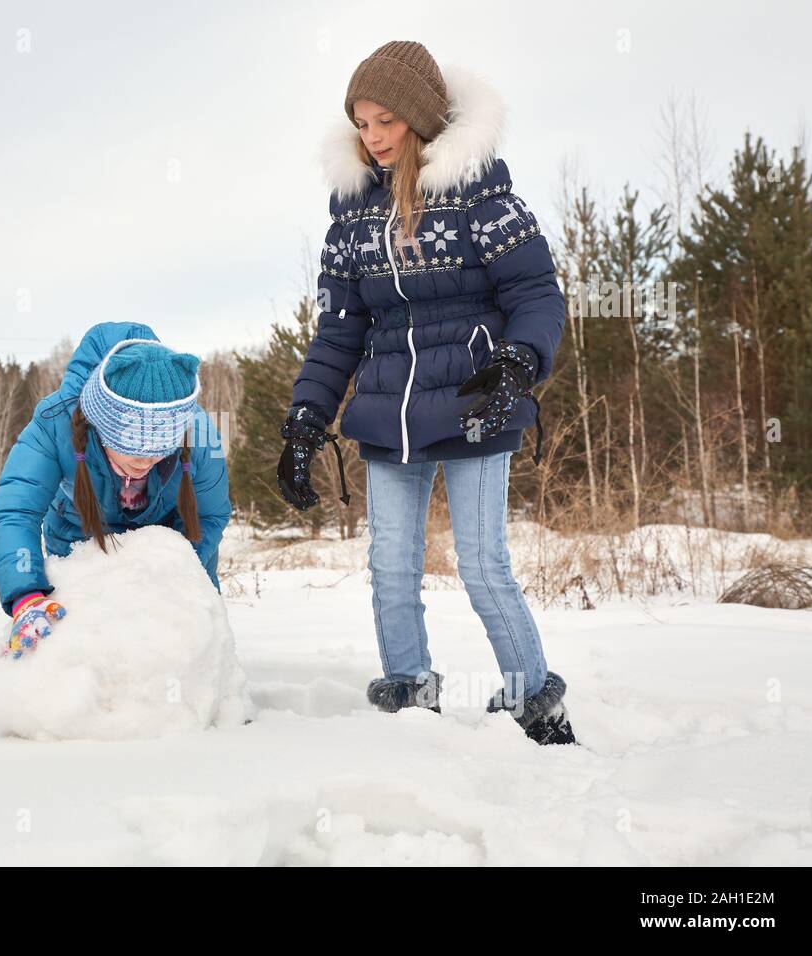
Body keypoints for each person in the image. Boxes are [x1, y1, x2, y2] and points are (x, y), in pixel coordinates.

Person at [277, 41, 576, 745]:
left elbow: (535, 292)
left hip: (477, 399)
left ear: (417, 116)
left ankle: (535, 704)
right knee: (390, 569)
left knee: (481, 565)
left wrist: (517, 363)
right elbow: (338, 329)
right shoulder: (352, 213)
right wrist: (305, 417)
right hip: (388, 412)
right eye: (361, 123)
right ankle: (409, 700)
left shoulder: (480, 191)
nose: (372, 137)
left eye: (385, 120)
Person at [0, 321, 231, 659]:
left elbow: (209, 515)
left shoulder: (201, 435)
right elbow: (16, 512)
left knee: (173, 650)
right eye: (132, 446)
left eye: (161, 447)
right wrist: (26, 594)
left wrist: (173, 572)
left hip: (166, 547)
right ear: (101, 428)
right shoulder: (54, 422)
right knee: (79, 651)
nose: (146, 461)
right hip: (79, 542)